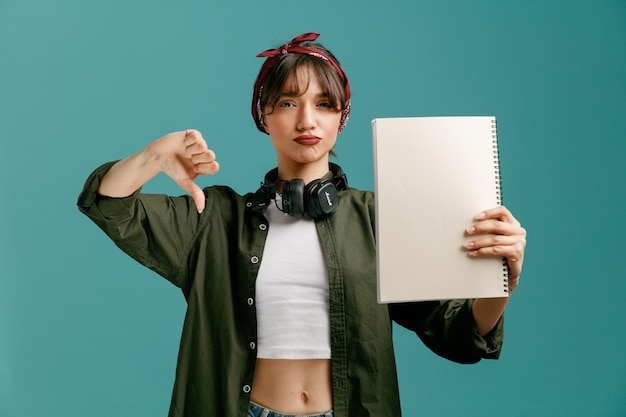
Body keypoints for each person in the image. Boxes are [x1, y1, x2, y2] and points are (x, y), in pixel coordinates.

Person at [77, 32, 526, 417]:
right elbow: (110, 205)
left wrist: (500, 278)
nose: (306, 120)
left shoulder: (381, 218)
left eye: (324, 104)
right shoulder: (213, 219)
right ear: (264, 115)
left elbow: (460, 334)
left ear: (340, 119)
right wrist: (152, 157)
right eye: (288, 102)